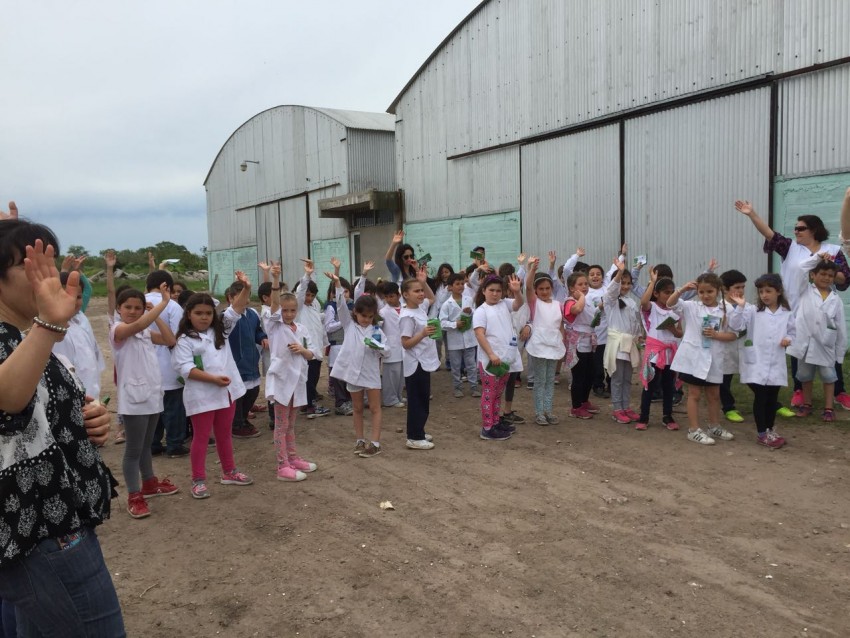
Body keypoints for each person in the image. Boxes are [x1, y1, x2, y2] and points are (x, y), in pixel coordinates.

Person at [0, 209, 125, 635]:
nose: (47, 275)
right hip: (42, 533)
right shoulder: (23, 335)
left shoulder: (26, 338)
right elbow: (7, 398)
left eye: (51, 263)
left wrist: (87, 418)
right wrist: (49, 323)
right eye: (30, 264)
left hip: (53, 527)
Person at [735, 200, 850, 409]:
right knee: (798, 348)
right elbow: (770, 234)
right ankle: (799, 389)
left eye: (801, 228)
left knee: (828, 346)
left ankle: (839, 391)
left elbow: (844, 279)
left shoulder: (832, 250)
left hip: (823, 308)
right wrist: (752, 214)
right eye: (795, 228)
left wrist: (829, 269)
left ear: (814, 230)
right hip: (795, 308)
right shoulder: (790, 248)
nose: (796, 231)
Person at [172, 285, 254, 497]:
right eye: (198, 313)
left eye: (208, 313)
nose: (204, 317)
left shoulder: (220, 331)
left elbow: (236, 308)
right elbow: (186, 369)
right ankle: (198, 479)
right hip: (202, 395)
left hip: (226, 393)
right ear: (188, 314)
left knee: (225, 434)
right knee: (200, 437)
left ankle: (229, 472)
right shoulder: (184, 340)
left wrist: (246, 288)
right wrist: (214, 379)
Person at [111, 285, 179, 518]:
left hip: (151, 395)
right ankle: (134, 495)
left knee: (147, 444)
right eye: (127, 307)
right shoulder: (118, 330)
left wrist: (157, 315)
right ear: (118, 309)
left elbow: (170, 339)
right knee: (133, 449)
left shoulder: (144, 333)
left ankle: (149, 483)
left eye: (138, 308)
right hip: (134, 399)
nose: (132, 311)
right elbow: (137, 324)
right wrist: (163, 303)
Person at [667, 273, 738, 445]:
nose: (705, 296)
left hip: (714, 357)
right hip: (694, 358)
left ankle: (714, 425)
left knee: (714, 394)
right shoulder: (691, 306)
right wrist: (683, 289)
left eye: (710, 292)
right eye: (701, 292)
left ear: (718, 290)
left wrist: (716, 335)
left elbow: (733, 334)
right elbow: (670, 303)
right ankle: (693, 429)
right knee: (695, 394)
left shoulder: (727, 309)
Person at [263, 264, 318, 479]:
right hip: (282, 380)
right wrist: (275, 281)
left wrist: (304, 351)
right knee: (281, 424)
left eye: (292, 310)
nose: (288, 314)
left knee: (292, 424)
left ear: (297, 310)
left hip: (298, 380)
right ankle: (281, 465)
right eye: (284, 310)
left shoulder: (301, 329)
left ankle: (293, 457)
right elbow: (275, 305)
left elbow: (313, 352)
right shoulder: (275, 326)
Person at [727, 274, 793, 448]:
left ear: (778, 291)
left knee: (772, 399)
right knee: (761, 396)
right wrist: (740, 307)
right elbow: (735, 325)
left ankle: (770, 430)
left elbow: (793, 331)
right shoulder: (751, 310)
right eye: (761, 291)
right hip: (756, 362)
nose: (764, 295)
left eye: (768, 291)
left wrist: (788, 338)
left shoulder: (786, 313)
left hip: (775, 363)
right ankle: (762, 433)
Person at [328, 265, 388, 457]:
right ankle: (360, 440)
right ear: (355, 313)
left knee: (375, 408)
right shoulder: (349, 326)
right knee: (357, 408)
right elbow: (341, 305)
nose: (366, 320)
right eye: (363, 316)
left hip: (371, 374)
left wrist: (378, 347)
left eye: (370, 317)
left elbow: (386, 351)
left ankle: (375, 443)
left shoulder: (377, 331)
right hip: (353, 374)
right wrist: (338, 284)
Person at [786, 259, 847, 421]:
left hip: (826, 344)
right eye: (822, 274)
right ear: (812, 275)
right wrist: (818, 258)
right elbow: (800, 268)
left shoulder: (836, 300)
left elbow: (841, 327)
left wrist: (840, 352)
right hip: (805, 343)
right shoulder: (804, 291)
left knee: (829, 376)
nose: (826, 278)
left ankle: (828, 408)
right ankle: (807, 404)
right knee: (805, 375)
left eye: (830, 275)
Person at [473, 273, 524, 440]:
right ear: (483, 291)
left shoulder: (504, 304)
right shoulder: (481, 311)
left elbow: (519, 304)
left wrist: (516, 291)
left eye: (498, 290)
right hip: (490, 360)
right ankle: (487, 428)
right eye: (491, 290)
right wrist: (491, 354)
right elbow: (480, 335)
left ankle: (495, 422)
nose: (495, 294)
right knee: (489, 392)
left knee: (498, 393)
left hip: (505, 358)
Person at [145, 269, 190, 457]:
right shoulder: (172, 306)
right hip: (169, 363)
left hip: (145, 363)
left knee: (152, 408)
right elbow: (177, 336)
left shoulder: (137, 303)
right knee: (173, 408)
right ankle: (174, 444)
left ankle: (153, 444)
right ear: (167, 287)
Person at [636, 270, 682, 431]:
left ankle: (667, 416)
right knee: (649, 384)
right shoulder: (652, 307)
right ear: (656, 293)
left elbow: (680, 332)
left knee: (669, 386)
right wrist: (652, 282)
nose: (668, 296)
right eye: (665, 292)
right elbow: (643, 302)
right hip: (654, 354)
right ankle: (644, 416)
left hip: (670, 353)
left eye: (671, 292)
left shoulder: (676, 311)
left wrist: (673, 329)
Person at [400, 266, 438, 449]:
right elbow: (405, 343)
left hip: (424, 360)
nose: (421, 294)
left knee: (423, 398)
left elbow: (432, 298)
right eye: (416, 291)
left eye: (421, 290)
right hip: (415, 363)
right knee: (416, 400)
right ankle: (414, 437)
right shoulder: (407, 316)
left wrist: (424, 281)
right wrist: (422, 334)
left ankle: (419, 430)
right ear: (406, 295)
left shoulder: (420, 307)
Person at [524, 257, 565, 425]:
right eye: (540, 288)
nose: (545, 291)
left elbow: (560, 325)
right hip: (539, 345)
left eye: (547, 288)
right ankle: (539, 412)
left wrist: (561, 340)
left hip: (553, 344)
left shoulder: (558, 304)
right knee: (540, 380)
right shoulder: (535, 303)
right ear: (536, 290)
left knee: (550, 379)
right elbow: (527, 286)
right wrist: (532, 270)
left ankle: (548, 410)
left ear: (552, 288)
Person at [53, 271, 106, 401]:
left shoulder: (80, 323)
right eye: (66, 296)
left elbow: (93, 363)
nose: (73, 301)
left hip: (91, 397)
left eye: (78, 297)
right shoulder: (51, 330)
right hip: (69, 401)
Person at [225, 276, 268, 438]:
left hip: (251, 361)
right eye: (241, 296)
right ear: (231, 298)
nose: (246, 300)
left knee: (254, 390)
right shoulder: (226, 317)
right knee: (238, 395)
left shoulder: (252, 314)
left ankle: (242, 419)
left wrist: (262, 337)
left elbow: (257, 330)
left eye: (247, 296)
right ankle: (236, 424)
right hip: (235, 363)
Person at [603, 259, 643, 424]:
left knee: (627, 377)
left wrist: (639, 336)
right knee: (618, 378)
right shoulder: (610, 301)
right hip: (617, 344)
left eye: (628, 283)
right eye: (622, 282)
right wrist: (619, 272)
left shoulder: (632, 302)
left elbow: (635, 323)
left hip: (630, 343)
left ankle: (626, 406)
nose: (625, 286)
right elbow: (612, 290)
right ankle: (617, 409)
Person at [294, 259, 331, 418]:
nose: (309, 297)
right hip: (307, 348)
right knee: (309, 378)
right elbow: (302, 291)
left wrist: (312, 272)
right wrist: (306, 275)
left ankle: (307, 402)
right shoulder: (299, 307)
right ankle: (309, 406)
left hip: (316, 347)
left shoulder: (314, 305)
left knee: (314, 376)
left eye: (312, 295)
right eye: (307, 295)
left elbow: (312, 286)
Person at [563, 271, 598, 419]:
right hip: (578, 343)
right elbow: (576, 310)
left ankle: (584, 401)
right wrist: (582, 297)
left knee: (590, 374)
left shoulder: (588, 300)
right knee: (579, 376)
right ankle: (576, 407)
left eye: (586, 284)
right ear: (572, 288)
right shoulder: (570, 301)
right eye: (580, 284)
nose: (584, 287)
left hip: (589, 341)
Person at [439, 272, 479, 398]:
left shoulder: (469, 300)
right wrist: (455, 324)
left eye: (462, 283)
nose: (460, 286)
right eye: (457, 284)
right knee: (456, 366)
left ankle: (474, 387)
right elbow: (442, 323)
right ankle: (457, 387)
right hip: (454, 340)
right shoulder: (446, 304)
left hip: (469, 338)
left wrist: (471, 311)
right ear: (450, 287)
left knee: (471, 365)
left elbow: (477, 313)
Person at [718, 270, 748, 423]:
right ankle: (728, 407)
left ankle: (772, 402)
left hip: (743, 349)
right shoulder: (720, 308)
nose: (741, 291)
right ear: (725, 289)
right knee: (724, 380)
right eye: (737, 287)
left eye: (743, 287)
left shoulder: (747, 306)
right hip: (725, 350)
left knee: (753, 376)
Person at [378, 281, 406, 408]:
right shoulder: (383, 312)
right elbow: (377, 329)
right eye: (387, 297)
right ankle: (390, 399)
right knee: (391, 375)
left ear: (398, 295)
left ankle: (398, 396)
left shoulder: (406, 307)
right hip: (391, 347)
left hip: (404, 346)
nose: (389, 299)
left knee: (401, 374)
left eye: (392, 296)